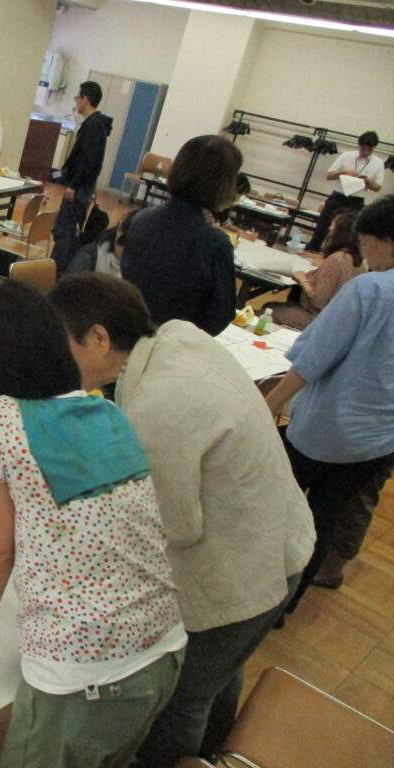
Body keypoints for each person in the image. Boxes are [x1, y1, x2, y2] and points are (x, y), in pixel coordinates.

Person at [0, 281, 186, 768]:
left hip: (87, 675)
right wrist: (10, 509)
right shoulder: (106, 410)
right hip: (163, 651)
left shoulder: (2, 420)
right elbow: (87, 500)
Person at [48, 273, 315, 767]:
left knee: (180, 700)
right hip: (279, 543)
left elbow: (172, 528)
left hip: (243, 572)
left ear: (100, 337)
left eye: (63, 348)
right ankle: (213, 754)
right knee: (220, 674)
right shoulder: (178, 337)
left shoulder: (160, 408)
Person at [265, 194, 394, 613]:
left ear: (388, 240)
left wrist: (271, 402)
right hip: (377, 441)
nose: (366, 256)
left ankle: (255, 594)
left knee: (273, 500)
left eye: (368, 245)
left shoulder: (370, 290)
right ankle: (285, 607)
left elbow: (313, 358)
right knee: (324, 518)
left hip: (328, 430)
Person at [121, 135, 241, 336]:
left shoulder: (141, 218)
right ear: (224, 184)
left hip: (131, 331)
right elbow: (221, 314)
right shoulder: (215, 243)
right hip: (176, 342)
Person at [262, 210, 365, 330]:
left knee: (268, 309)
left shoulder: (336, 260)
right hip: (336, 321)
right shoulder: (358, 262)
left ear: (340, 233)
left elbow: (318, 300)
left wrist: (303, 279)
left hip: (317, 319)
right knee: (284, 303)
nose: (329, 228)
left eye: (333, 225)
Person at [49, 81, 113, 273]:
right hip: (82, 187)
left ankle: (57, 273)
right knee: (68, 232)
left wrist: (74, 185)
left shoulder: (93, 125)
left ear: (86, 99)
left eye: (77, 98)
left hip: (79, 189)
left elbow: (88, 162)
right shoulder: (95, 124)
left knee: (64, 232)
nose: (76, 102)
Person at [304, 130, 384, 253]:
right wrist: (345, 172)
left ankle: (339, 256)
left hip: (356, 200)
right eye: (361, 149)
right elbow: (329, 176)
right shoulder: (347, 156)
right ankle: (312, 249)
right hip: (338, 196)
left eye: (367, 150)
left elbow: (377, 187)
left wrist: (367, 182)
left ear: (373, 148)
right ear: (358, 144)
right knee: (323, 225)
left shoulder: (378, 163)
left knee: (349, 231)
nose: (363, 152)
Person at [65, 209, 136, 277]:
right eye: (126, 245)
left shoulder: (134, 267)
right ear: (119, 229)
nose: (128, 254)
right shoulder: (87, 259)